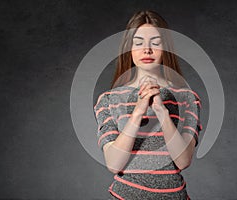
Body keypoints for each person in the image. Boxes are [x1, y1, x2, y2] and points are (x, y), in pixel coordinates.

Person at [94, 10, 202, 200]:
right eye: (138, 43)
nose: (147, 50)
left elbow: (183, 161)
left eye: (155, 43)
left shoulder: (187, 98)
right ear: (128, 49)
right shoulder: (109, 99)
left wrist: (162, 111)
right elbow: (114, 163)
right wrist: (138, 112)